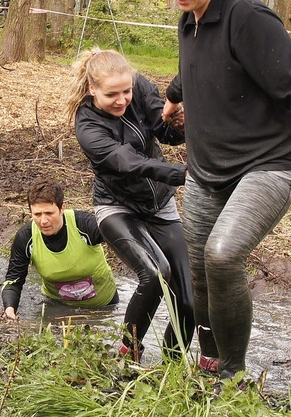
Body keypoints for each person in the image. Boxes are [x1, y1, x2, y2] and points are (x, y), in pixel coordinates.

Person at [154, 0, 291, 380]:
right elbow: (196, 64)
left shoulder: (247, 18)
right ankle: (210, 359)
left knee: (222, 254)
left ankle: (232, 375)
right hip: (206, 171)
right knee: (198, 268)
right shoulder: (189, 18)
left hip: (266, 166)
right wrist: (174, 98)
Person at [64, 47, 194, 361]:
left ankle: (173, 365)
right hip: (117, 207)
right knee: (155, 273)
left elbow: (163, 132)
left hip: (160, 205)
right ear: (92, 89)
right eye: (112, 95)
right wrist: (184, 174)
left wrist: (183, 124)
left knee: (189, 298)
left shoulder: (139, 88)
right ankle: (129, 352)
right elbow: (130, 162)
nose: (122, 100)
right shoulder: (87, 126)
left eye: (126, 91)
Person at [2, 178, 119, 320]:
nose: (43, 221)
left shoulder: (84, 225)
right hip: (57, 308)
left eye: (49, 213)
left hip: (104, 308)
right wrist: (9, 309)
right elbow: (14, 280)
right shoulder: (26, 237)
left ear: (62, 208)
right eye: (37, 214)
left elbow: (119, 237)